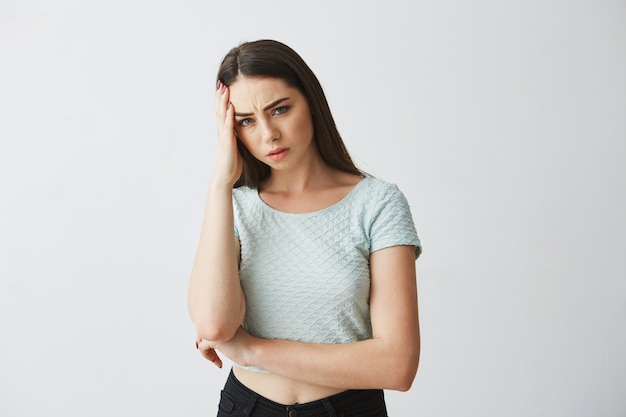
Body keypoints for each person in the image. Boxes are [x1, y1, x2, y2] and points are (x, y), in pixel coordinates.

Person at [188, 39, 422, 417]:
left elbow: (397, 365)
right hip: (246, 407)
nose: (268, 134)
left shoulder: (377, 203)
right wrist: (220, 183)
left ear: (310, 101)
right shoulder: (234, 206)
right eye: (246, 120)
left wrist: (251, 350)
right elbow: (214, 325)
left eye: (279, 109)